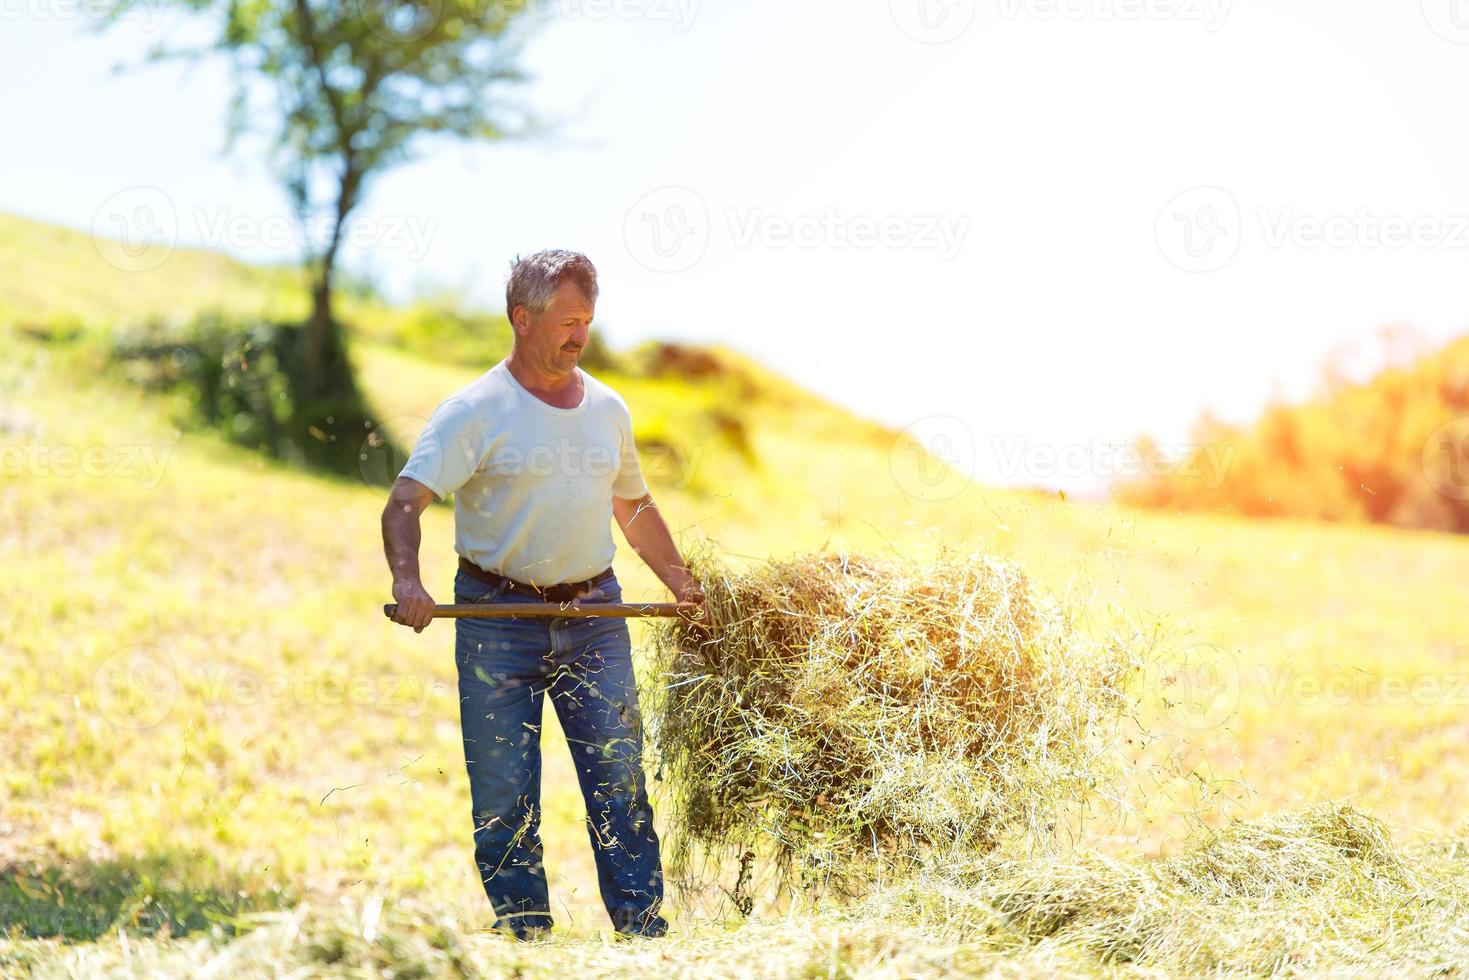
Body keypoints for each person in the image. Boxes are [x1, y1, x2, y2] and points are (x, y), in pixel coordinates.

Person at [380, 249, 704, 939]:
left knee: (620, 785)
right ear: (521, 319)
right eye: (565, 321)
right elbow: (405, 502)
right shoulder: (474, 411)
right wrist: (408, 580)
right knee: (503, 797)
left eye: (586, 321)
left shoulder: (609, 410)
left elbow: (634, 507)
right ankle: (525, 935)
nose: (579, 336)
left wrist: (683, 585)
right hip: (499, 620)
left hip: (595, 616)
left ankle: (643, 932)